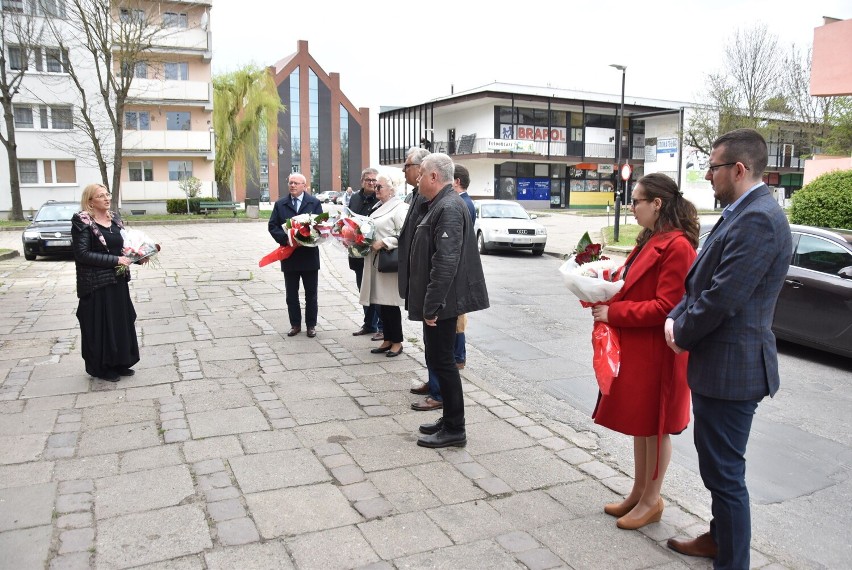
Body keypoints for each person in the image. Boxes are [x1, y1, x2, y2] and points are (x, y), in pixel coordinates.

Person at [664, 129, 791, 569]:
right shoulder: (741, 211)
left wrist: (681, 332)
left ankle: (732, 561)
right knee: (718, 468)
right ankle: (718, 539)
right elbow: (699, 280)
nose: (709, 175)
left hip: (734, 370)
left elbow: (723, 297)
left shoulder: (758, 218)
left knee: (725, 474)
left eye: (714, 167)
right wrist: (674, 315)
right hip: (721, 365)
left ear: (738, 170)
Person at [589, 173, 698, 530]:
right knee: (642, 424)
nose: (630, 206)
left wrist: (614, 312)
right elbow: (632, 284)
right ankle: (639, 492)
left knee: (657, 426)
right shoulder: (652, 238)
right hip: (641, 348)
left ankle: (653, 499)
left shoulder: (678, 245)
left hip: (660, 352)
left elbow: (667, 305)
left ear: (657, 204)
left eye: (636, 200)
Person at [406, 153, 489, 448]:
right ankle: (450, 419)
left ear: (433, 177)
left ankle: (455, 428)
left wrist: (432, 304)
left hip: (444, 302)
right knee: (438, 360)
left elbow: (446, 261)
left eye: (420, 176)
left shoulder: (449, 206)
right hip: (441, 301)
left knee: (444, 362)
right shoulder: (441, 203)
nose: (416, 181)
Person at [71, 183, 141, 382]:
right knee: (101, 326)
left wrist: (136, 256)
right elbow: (82, 254)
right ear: (90, 201)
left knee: (121, 321)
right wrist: (116, 261)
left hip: (118, 281)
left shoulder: (115, 219)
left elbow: (121, 247)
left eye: (107, 194)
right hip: (95, 284)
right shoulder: (82, 221)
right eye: (100, 196)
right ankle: (102, 368)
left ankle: (120, 362)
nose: (106, 198)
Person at [397, 147, 439, 402]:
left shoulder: (429, 198)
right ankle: (433, 381)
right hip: (417, 277)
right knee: (428, 340)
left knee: (436, 344)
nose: (405, 170)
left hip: (427, 279)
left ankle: (438, 390)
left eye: (408, 165)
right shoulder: (416, 195)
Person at [268, 172, 324, 338]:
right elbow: (273, 226)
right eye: (290, 182)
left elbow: (320, 226)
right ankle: (295, 324)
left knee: (311, 294)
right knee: (291, 294)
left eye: (296, 183)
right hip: (289, 255)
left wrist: (309, 238)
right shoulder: (281, 204)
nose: (292, 185)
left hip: (309, 255)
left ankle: (311, 325)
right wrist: (287, 239)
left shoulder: (313, 202)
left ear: (304, 186)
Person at [360, 174, 409, 358]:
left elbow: (405, 234)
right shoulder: (378, 207)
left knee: (390, 304)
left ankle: (397, 342)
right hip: (376, 262)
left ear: (392, 189)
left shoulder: (400, 208)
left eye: (380, 186)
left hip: (388, 263)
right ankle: (387, 339)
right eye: (376, 186)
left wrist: (384, 242)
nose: (376, 189)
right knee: (381, 304)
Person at [349, 168, 382, 339]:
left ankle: (382, 327)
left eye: (374, 180)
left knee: (377, 292)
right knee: (363, 291)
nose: (371, 183)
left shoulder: (380, 198)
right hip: (357, 253)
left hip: (374, 253)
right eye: (368, 180)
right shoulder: (354, 198)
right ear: (362, 181)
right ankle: (369, 324)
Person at [452, 164, 476, 370]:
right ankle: (458, 356)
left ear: (457, 181)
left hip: (459, 269)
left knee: (458, 316)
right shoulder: (465, 202)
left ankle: (459, 357)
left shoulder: (462, 204)